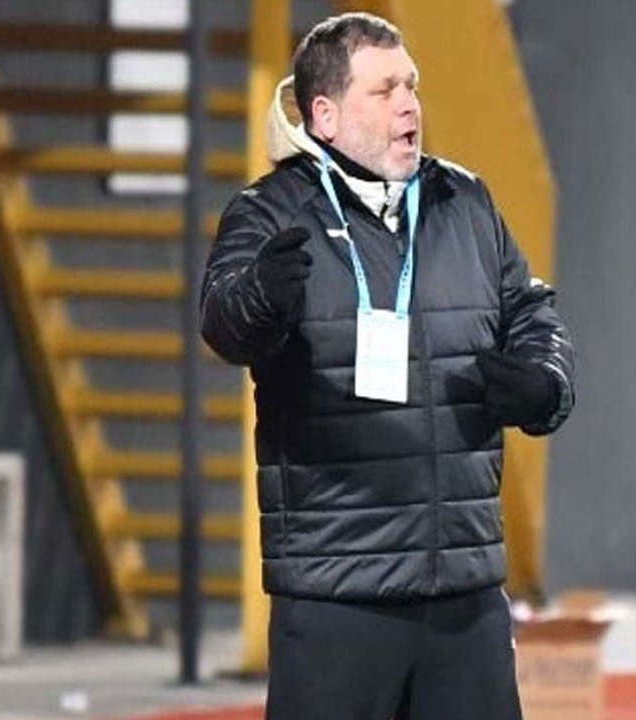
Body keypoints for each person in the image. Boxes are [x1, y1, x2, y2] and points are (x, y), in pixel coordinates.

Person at [201, 12, 574, 720]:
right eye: (385, 90)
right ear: (325, 115)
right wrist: (260, 298)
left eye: (412, 85)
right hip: (338, 594)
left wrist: (544, 382)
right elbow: (223, 324)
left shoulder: (465, 201)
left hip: (464, 590)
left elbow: (534, 316)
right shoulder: (269, 212)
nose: (409, 105)